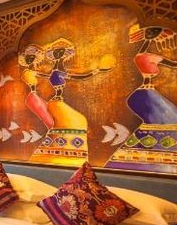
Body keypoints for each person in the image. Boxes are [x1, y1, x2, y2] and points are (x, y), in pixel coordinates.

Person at [105, 24, 177, 173]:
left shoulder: (147, 56)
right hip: (143, 94)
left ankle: (149, 157)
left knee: (171, 116)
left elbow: (174, 64)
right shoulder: (144, 57)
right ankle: (148, 158)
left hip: (146, 92)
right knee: (170, 116)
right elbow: (171, 63)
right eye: (154, 35)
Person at [29, 38, 115, 166]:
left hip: (57, 102)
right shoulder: (56, 72)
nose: (58, 53)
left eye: (60, 51)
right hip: (56, 103)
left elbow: (80, 76)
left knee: (77, 121)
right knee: (77, 121)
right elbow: (45, 75)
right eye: (56, 52)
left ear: (65, 54)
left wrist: (97, 71)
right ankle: (62, 155)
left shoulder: (61, 72)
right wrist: (34, 72)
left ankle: (59, 155)